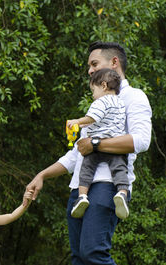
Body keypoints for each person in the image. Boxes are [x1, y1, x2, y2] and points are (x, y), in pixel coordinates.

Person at [25, 41, 152, 264]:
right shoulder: (96, 104)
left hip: (108, 185)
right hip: (79, 188)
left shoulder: (134, 97)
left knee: (93, 253)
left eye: (94, 64)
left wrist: (95, 143)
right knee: (79, 258)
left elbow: (141, 140)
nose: (90, 70)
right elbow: (77, 153)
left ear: (114, 63)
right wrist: (42, 175)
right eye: (89, 67)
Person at [67, 68, 129, 220]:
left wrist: (78, 122)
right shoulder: (121, 103)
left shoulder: (101, 101)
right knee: (120, 170)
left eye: (93, 90)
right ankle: (122, 193)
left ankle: (82, 196)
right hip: (113, 146)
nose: (93, 95)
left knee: (86, 170)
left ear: (104, 86)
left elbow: (92, 118)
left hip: (95, 146)